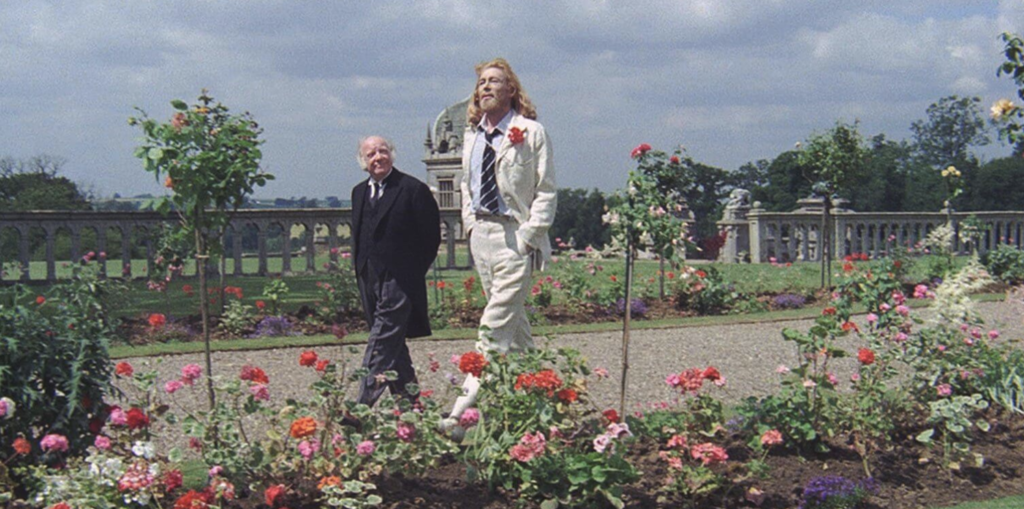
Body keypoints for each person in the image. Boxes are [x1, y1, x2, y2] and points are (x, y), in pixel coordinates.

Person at [441, 58, 557, 436]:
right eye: (482, 82)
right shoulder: (472, 136)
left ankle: (458, 415)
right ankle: (545, 404)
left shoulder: (532, 132)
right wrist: (471, 225)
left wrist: (527, 238)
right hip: (482, 238)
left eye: (495, 81)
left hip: (514, 239)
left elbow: (546, 191)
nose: (485, 87)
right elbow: (466, 185)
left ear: (512, 90)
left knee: (492, 330)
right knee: (515, 329)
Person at [350, 135, 441, 408]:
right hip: (369, 276)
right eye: (371, 154)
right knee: (394, 345)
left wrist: (411, 272)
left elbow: (431, 238)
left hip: (400, 278)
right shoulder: (358, 192)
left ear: (392, 153)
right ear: (363, 162)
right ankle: (410, 408)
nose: (378, 157)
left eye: (383, 151)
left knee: (381, 339)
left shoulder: (412, 189)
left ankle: (361, 406)